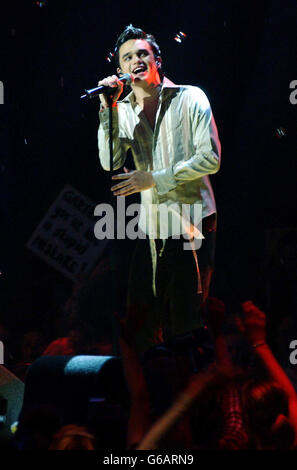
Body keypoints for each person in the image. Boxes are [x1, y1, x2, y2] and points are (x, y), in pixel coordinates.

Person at [98, 25, 221, 354]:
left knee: (187, 318)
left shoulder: (190, 97)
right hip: (154, 225)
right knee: (142, 323)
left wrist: (154, 178)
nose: (135, 60)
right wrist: (107, 108)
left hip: (194, 218)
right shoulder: (121, 110)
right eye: (127, 57)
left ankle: (193, 380)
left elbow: (210, 158)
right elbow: (110, 161)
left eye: (142, 53)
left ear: (157, 60)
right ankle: (152, 389)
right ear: (120, 71)